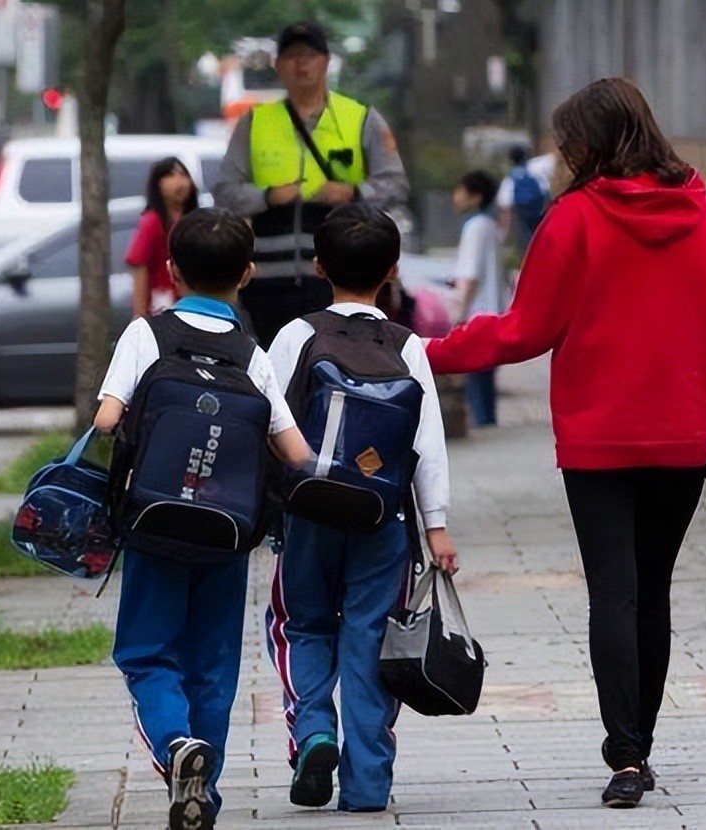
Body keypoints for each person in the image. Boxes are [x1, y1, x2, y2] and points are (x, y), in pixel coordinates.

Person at [423, 77, 706, 808]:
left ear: (590, 144)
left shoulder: (574, 220)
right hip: (684, 435)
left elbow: (525, 331)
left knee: (613, 590)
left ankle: (627, 758)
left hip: (598, 440)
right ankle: (642, 742)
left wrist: (427, 353)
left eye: (566, 142)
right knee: (653, 592)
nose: (559, 155)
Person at [93, 208, 313, 830]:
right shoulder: (252, 354)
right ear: (247, 274)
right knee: (213, 664)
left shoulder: (146, 335)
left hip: (155, 525)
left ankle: (174, 745)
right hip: (228, 534)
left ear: (171, 271)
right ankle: (204, 788)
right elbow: (293, 451)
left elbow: (108, 419)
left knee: (145, 652)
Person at [265, 203, 458, 814]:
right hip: (385, 523)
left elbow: (269, 424)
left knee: (302, 625)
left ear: (318, 265)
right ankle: (368, 783)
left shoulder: (297, 335)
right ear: (394, 270)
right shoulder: (407, 346)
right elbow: (427, 444)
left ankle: (315, 731)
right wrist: (438, 526)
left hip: (309, 515)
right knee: (374, 640)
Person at [214, 21, 409, 344]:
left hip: (341, 278)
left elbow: (395, 185)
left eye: (309, 55)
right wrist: (267, 197)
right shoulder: (255, 121)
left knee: (335, 361)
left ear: (326, 61)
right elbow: (225, 190)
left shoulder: (360, 118)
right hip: (266, 281)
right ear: (278, 66)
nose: (300, 63)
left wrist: (354, 193)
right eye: (291, 56)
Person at [450, 170, 505, 427]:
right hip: (493, 310)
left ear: (475, 196)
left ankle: (483, 425)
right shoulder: (491, 226)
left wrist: (459, 312)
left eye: (460, 191)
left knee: (474, 376)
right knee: (486, 378)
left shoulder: (474, 227)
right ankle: (488, 422)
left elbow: (470, 274)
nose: (455, 197)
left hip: (476, 312)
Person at [125, 157, 199, 318]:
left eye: (183, 174)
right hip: (161, 304)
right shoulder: (152, 222)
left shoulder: (194, 221)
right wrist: (139, 314)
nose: (180, 182)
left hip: (192, 304)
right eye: (171, 175)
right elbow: (139, 265)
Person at [495, 145, 549, 249]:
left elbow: (505, 204)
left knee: (528, 241)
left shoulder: (510, 178)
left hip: (522, 214)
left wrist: (503, 233)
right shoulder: (533, 172)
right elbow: (545, 190)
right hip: (539, 209)